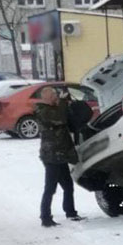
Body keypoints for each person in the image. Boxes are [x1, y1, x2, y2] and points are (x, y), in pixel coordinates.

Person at [35, 85, 83, 227]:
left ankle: (70, 212)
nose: (56, 97)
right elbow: (60, 118)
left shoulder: (54, 108)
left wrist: (66, 103)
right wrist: (62, 103)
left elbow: (67, 119)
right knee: (50, 188)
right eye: (54, 96)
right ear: (47, 97)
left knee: (68, 186)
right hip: (51, 156)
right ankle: (45, 217)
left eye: (57, 95)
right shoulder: (42, 110)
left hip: (60, 155)